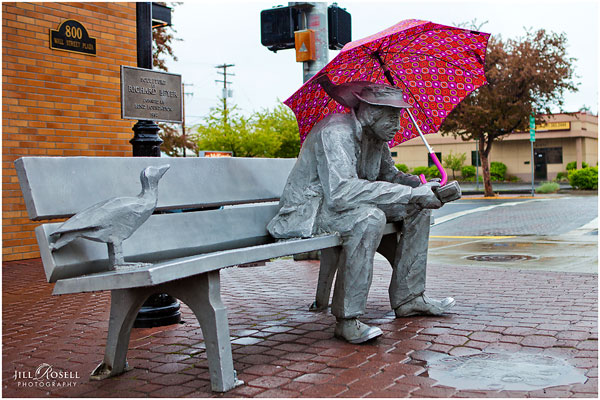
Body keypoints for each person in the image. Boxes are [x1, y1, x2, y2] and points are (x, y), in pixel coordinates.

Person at [267, 81, 455, 344]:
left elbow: (389, 176)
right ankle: (347, 319)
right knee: (369, 218)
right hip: (311, 211)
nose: (398, 125)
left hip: (341, 206)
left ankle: (409, 298)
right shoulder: (336, 132)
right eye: (391, 116)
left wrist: (421, 187)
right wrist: (411, 194)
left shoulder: (377, 139)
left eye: (399, 116)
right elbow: (341, 191)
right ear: (368, 112)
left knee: (419, 208)